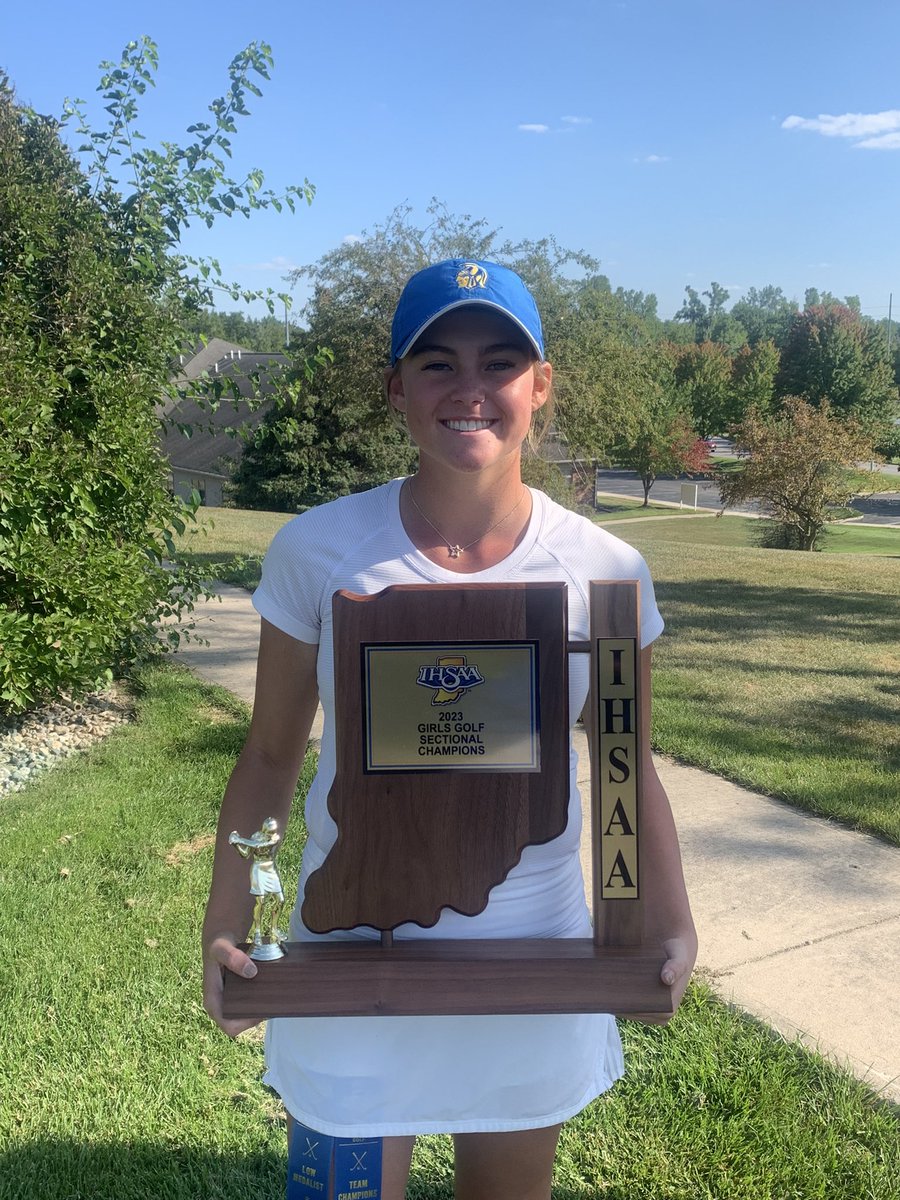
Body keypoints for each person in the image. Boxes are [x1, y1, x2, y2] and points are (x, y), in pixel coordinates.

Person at [203, 258, 697, 1200]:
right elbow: (269, 753)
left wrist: (666, 923)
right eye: (437, 364)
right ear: (397, 387)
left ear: (539, 387)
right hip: (348, 961)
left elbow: (627, 764)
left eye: (500, 362)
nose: (470, 389)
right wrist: (226, 920)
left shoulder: (605, 568)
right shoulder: (317, 549)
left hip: (534, 966)